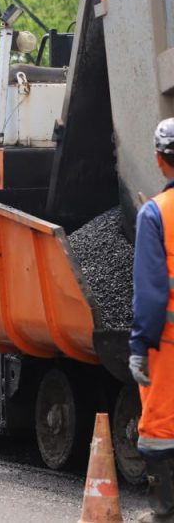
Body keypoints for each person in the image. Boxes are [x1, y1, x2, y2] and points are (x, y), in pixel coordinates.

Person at [131, 117, 174, 522]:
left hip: (168, 345)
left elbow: (151, 293)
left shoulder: (155, 214)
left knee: (161, 428)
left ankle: (164, 513)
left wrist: (138, 346)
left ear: (161, 161)